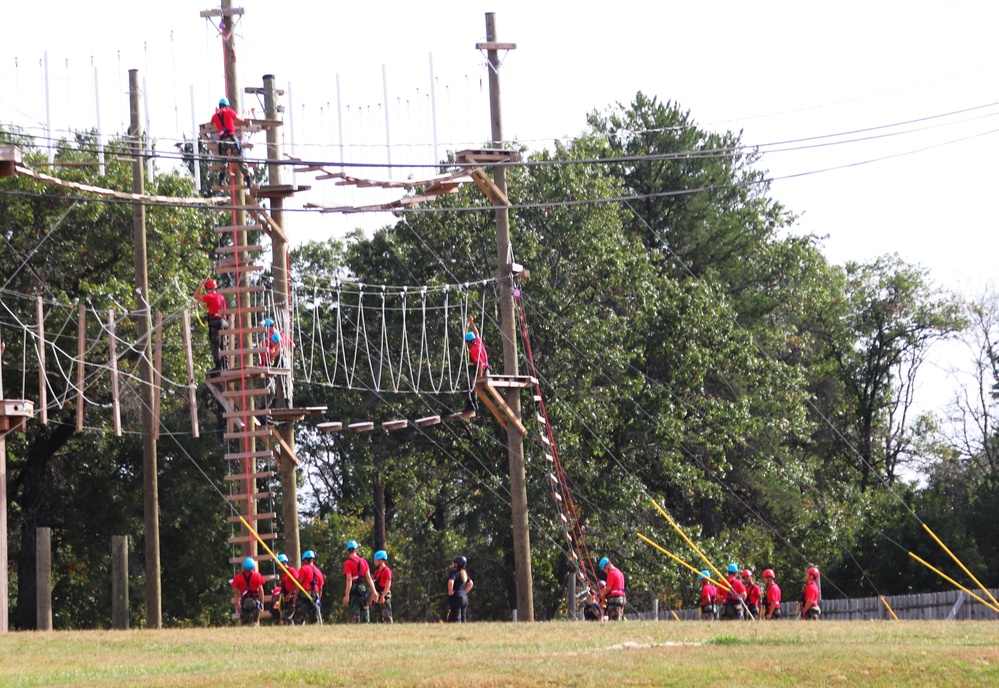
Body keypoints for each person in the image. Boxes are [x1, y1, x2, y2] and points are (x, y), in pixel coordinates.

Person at [210, 96, 252, 186]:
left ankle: (221, 180)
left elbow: (211, 123)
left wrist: (216, 113)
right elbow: (241, 120)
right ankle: (248, 179)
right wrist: (244, 114)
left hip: (222, 141)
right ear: (227, 106)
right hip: (232, 138)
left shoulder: (215, 116)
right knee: (240, 158)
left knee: (223, 161)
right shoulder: (230, 112)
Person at [193, 278, 229, 370]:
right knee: (224, 344)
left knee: (215, 344)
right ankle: (225, 364)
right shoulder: (221, 297)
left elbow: (196, 296)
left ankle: (218, 365)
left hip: (216, 321)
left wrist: (201, 284)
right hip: (224, 321)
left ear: (208, 289)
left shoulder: (210, 296)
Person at [342, 540, 377, 623]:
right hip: (362, 587)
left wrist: (347, 595)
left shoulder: (347, 563)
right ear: (356, 550)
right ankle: (366, 622)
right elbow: (368, 577)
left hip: (353, 587)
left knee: (355, 609)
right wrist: (374, 591)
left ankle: (356, 623)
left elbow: (349, 579)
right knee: (364, 607)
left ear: (348, 551)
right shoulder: (363, 561)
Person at [461, 316, 489, 414]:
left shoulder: (473, 349)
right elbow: (476, 332)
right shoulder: (478, 341)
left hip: (481, 369)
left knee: (465, 384)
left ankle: (470, 404)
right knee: (470, 382)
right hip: (486, 369)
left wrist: (480, 377)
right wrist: (472, 322)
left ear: (469, 342)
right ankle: (474, 403)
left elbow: (480, 363)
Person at [231, 557, 265, 626]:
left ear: (243, 567)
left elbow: (235, 593)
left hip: (244, 602)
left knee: (245, 623)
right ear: (253, 566)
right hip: (255, 601)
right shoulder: (257, 576)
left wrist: (238, 605)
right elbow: (261, 591)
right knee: (254, 622)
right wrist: (262, 603)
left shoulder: (238, 577)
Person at [295, 549, 324, 624]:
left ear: (305, 560)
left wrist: (295, 596)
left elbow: (299, 583)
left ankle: (299, 627)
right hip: (315, 594)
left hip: (304, 593)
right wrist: (318, 599)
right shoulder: (318, 571)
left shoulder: (303, 568)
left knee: (299, 615)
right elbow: (320, 588)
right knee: (314, 615)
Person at [446, 555, 473, 622]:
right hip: (464, 599)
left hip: (457, 598)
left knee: (456, 618)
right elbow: (470, 583)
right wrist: (464, 592)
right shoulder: (463, 573)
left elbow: (450, 582)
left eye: (454, 562)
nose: (452, 563)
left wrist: (450, 592)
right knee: (463, 618)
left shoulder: (454, 573)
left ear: (456, 564)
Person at [598, 557, 626, 621]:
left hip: (615, 599)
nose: (605, 571)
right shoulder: (620, 573)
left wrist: (602, 595)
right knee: (620, 617)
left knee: (614, 621)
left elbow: (608, 588)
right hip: (622, 598)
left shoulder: (612, 573)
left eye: (604, 569)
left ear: (608, 564)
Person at [371, 550, 393, 624]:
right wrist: (372, 597)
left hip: (384, 593)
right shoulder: (376, 572)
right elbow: (374, 585)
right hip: (377, 593)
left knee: (386, 613)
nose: (374, 562)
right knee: (377, 614)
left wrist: (383, 596)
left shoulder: (387, 571)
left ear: (381, 561)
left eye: (375, 560)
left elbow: (388, 584)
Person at [276, 552, 299, 625]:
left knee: (286, 617)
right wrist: (278, 600)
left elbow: (297, 583)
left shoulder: (291, 571)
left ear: (284, 563)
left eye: (279, 565)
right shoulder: (283, 574)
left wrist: (290, 594)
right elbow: (283, 587)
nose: (278, 567)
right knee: (284, 617)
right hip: (286, 597)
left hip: (292, 597)